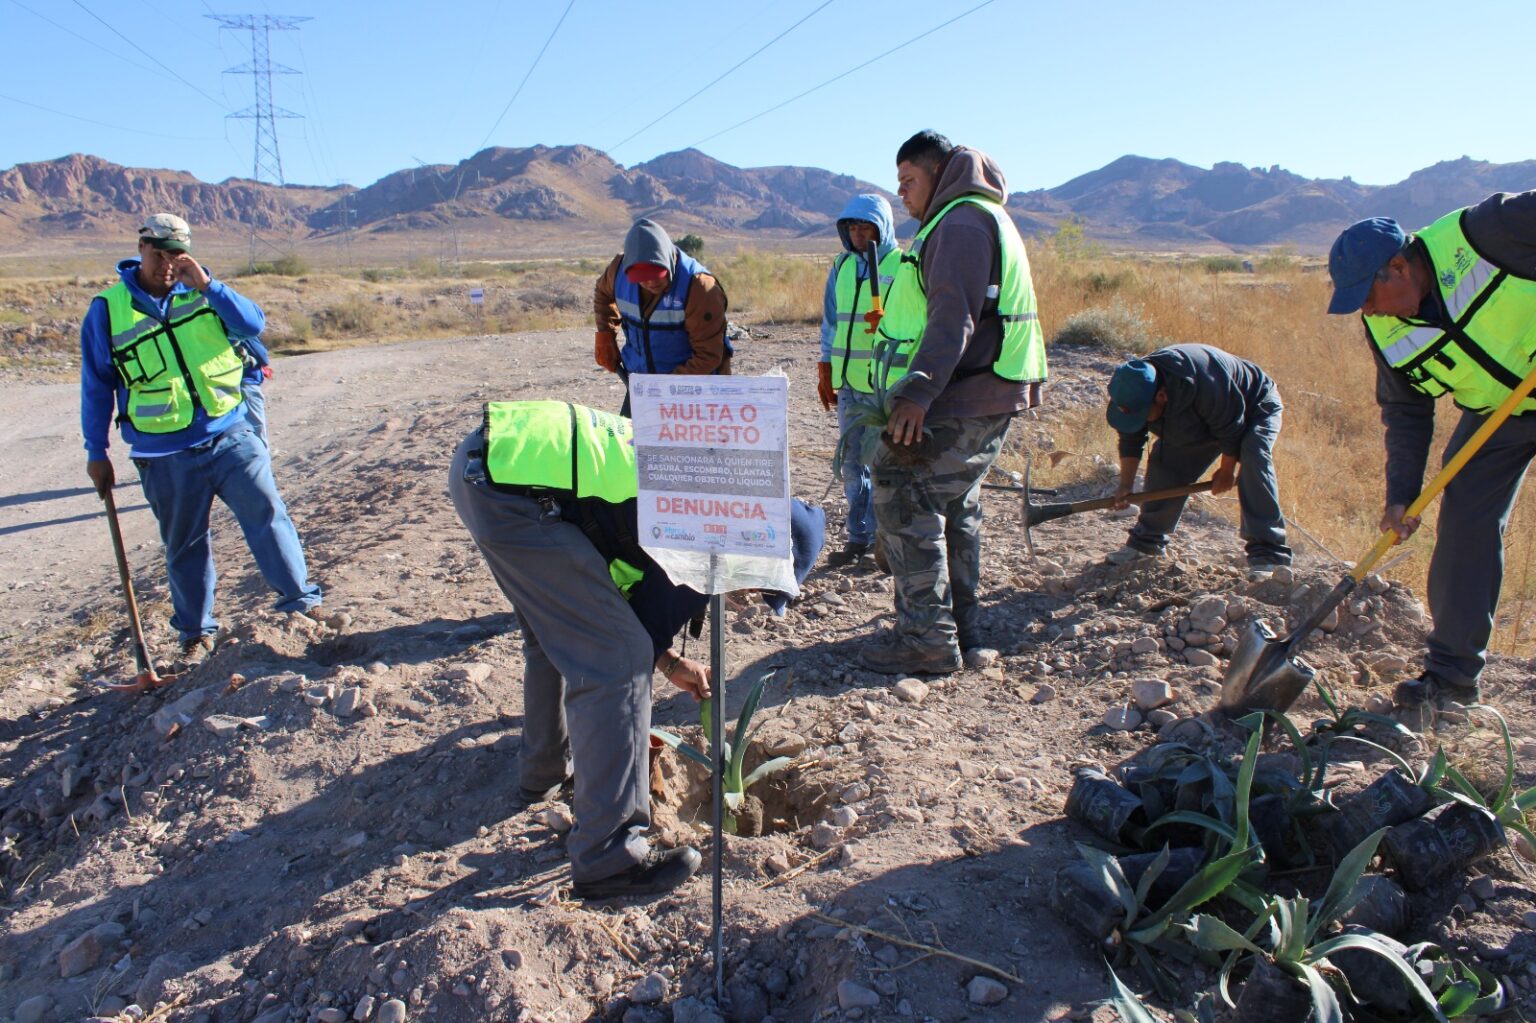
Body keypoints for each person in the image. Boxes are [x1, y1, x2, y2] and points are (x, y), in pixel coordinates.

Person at [80, 214, 323, 665]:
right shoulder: (107, 309)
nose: (168, 266)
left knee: (269, 514)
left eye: (177, 255)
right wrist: (97, 451)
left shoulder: (204, 291)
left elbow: (252, 326)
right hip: (163, 452)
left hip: (229, 432)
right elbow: (96, 384)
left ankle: (302, 607)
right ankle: (195, 635)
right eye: (159, 255)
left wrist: (209, 284)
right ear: (141, 249)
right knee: (186, 545)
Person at [1326, 192, 1536, 710]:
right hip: (1500, 414)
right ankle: (1451, 681)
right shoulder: (1383, 327)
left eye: (1367, 296)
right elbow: (1407, 411)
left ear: (1397, 266)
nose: (1366, 311)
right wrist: (1401, 494)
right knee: (1465, 518)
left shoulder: (1489, 231)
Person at [860, 131, 1047, 675]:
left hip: (969, 390)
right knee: (957, 500)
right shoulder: (970, 217)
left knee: (901, 489)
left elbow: (952, 317)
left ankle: (927, 637)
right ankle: (962, 627)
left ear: (938, 172)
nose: (904, 196)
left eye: (909, 182)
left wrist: (917, 392)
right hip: (973, 388)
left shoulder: (962, 223)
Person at [1103, 344, 1292, 579]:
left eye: (1143, 414)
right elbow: (1131, 436)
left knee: (1254, 455)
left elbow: (1231, 428)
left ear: (1161, 397)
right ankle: (1146, 544)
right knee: (1166, 464)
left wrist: (1226, 471)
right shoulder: (1132, 388)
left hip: (1254, 404)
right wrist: (1126, 485)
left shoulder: (1203, 381)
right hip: (1199, 416)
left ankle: (1270, 555)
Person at [819, 194, 900, 567]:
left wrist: (887, 325)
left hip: (885, 386)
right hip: (850, 383)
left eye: (864, 226)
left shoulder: (901, 266)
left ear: (881, 228)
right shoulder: (842, 266)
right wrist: (825, 367)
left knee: (887, 467)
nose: (856, 233)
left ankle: (891, 543)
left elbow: (917, 324)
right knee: (852, 464)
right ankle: (859, 538)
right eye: (851, 227)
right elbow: (831, 322)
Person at [593, 219, 730, 416]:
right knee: (630, 445)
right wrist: (605, 335)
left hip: (696, 392)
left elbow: (708, 356)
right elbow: (602, 293)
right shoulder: (618, 271)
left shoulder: (700, 287)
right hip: (642, 387)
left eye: (656, 274)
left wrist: (666, 389)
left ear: (667, 260)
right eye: (641, 278)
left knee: (690, 447)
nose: (650, 282)